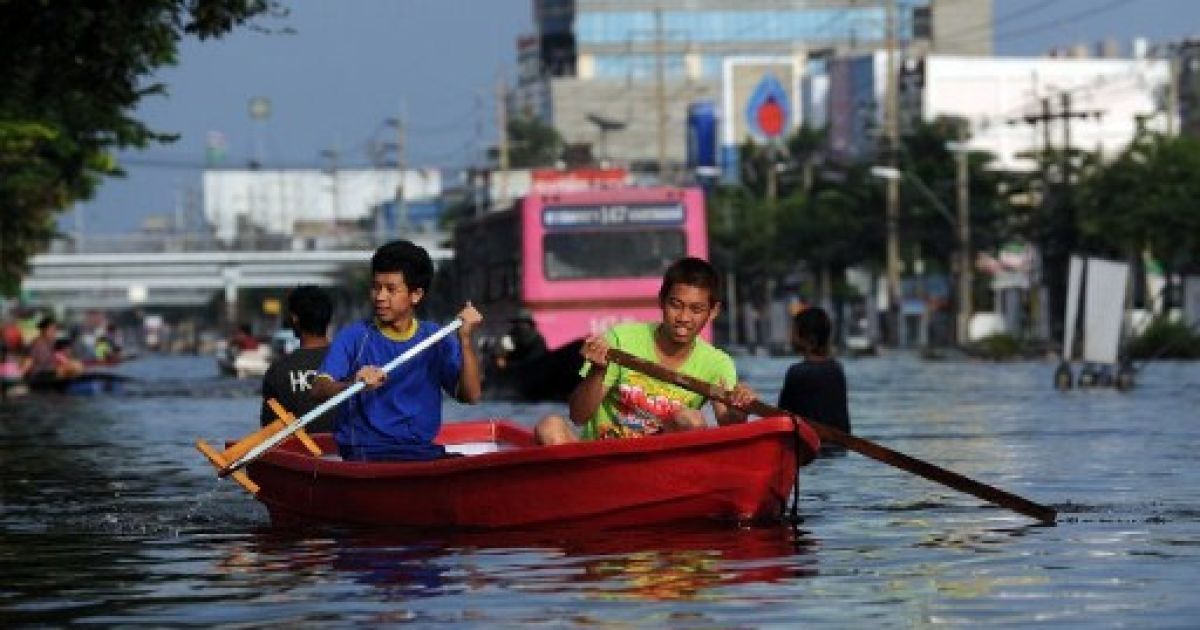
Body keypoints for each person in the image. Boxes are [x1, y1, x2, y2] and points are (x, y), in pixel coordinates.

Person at [534, 257, 756, 445]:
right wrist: (598, 371)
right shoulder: (619, 340)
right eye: (675, 305)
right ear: (661, 301)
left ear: (713, 312)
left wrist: (740, 407)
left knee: (691, 420)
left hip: (660, 469)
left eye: (696, 309)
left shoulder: (718, 363)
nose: (683, 318)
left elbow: (729, 425)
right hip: (598, 462)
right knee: (549, 426)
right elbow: (578, 417)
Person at [312, 239, 483, 461]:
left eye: (391, 289)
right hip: (366, 452)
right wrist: (352, 385)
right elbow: (318, 388)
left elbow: (471, 395)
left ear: (416, 295)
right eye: (376, 287)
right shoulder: (355, 336)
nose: (380, 297)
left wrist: (466, 340)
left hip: (419, 451)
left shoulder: (436, 338)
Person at [260, 285, 337, 433]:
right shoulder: (352, 361)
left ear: (294, 318)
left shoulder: (278, 370)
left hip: (298, 450)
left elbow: (269, 431)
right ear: (328, 318)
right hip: (347, 450)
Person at [777, 306, 852, 438]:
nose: (790, 337)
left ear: (808, 339)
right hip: (838, 447)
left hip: (808, 445)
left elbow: (782, 418)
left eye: (794, 332)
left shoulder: (797, 372)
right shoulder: (837, 369)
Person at [21, 315, 83, 381]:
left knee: (76, 365)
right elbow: (28, 363)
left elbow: (61, 358)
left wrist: (67, 361)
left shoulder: (52, 343)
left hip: (52, 373)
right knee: (67, 369)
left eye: (55, 329)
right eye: (52, 329)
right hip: (40, 375)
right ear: (44, 330)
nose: (54, 332)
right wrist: (20, 377)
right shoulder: (36, 345)